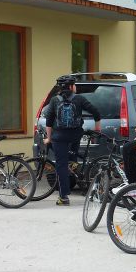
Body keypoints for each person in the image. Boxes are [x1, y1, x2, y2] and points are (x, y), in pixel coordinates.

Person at [43, 76, 102, 206]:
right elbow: (96, 112)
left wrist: (49, 138)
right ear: (71, 87)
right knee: (72, 149)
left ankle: (63, 197)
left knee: (61, 165)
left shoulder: (54, 100)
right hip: (76, 135)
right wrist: (97, 128)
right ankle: (73, 161)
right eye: (74, 85)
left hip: (59, 137)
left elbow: (49, 120)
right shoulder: (79, 99)